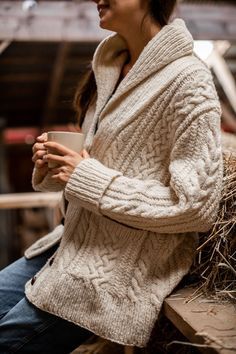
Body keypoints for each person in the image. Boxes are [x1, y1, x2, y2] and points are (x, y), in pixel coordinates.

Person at [0, 0, 223, 352]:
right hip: (65, 246)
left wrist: (85, 176)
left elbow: (196, 205)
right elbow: (97, 170)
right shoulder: (108, 67)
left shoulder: (189, 80)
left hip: (107, 275)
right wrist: (56, 167)